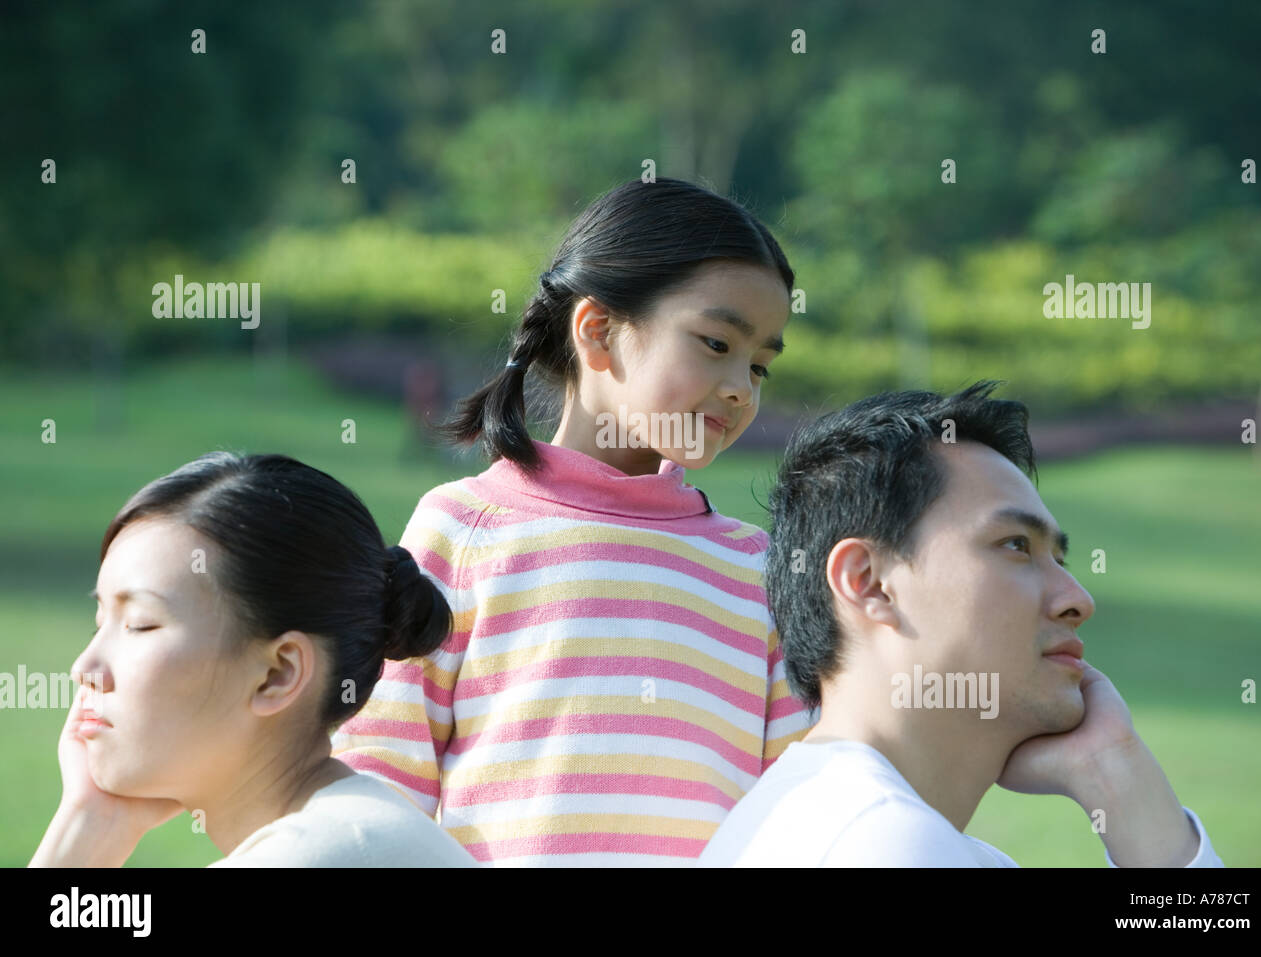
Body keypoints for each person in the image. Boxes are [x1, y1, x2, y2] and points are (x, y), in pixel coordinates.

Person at [330, 177, 815, 865]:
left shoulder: (756, 570)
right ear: (598, 332)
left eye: (761, 365)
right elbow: (381, 784)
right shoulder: (462, 533)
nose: (742, 385)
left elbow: (792, 815)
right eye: (715, 343)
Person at [699, 382, 1224, 867]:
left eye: (1060, 561)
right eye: (1016, 545)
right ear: (869, 582)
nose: (1078, 600)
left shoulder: (850, 824)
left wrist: (1115, 770)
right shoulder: (885, 842)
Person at [30, 452, 476, 867]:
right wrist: (91, 823)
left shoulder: (314, 855)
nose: (84, 667)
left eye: (140, 624)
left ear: (277, 673)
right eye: (100, 623)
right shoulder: (354, 833)